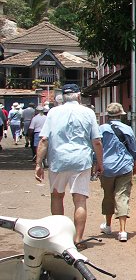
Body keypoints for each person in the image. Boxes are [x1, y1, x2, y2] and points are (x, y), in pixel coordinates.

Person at [34, 84, 103, 245]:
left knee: (57, 197)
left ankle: (60, 239)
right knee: (80, 200)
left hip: (58, 160)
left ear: (62, 98)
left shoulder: (53, 112)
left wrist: (38, 164)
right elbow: (96, 141)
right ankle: (78, 240)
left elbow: (44, 140)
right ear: (78, 96)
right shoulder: (88, 112)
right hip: (81, 161)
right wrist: (100, 163)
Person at [98, 103, 136, 242]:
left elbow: (97, 147)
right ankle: (122, 231)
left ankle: (108, 225)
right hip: (124, 166)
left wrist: (96, 164)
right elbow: (134, 148)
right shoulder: (127, 129)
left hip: (107, 167)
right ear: (121, 115)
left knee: (108, 195)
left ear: (108, 115)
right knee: (122, 196)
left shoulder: (101, 129)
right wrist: (135, 163)